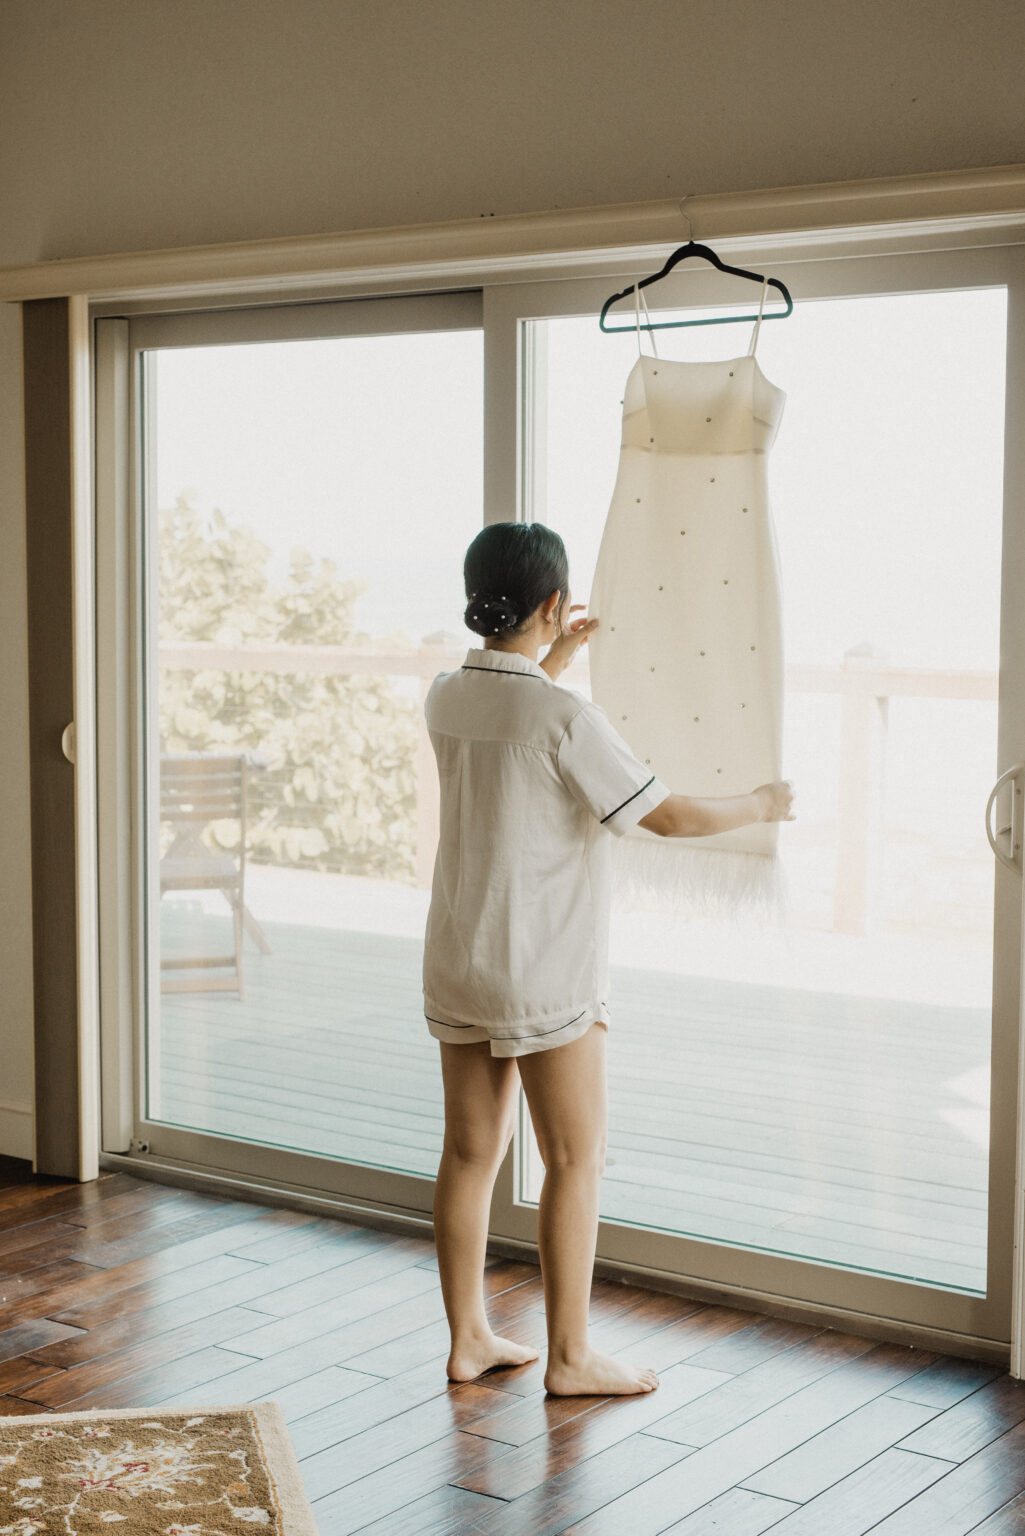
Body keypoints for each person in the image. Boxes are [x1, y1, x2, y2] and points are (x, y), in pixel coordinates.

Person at [423, 521, 796, 1397]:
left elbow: (509, 715)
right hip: (540, 966)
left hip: (457, 958)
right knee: (575, 1158)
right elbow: (660, 815)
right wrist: (761, 801)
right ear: (551, 604)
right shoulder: (564, 716)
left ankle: (469, 1339)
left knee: (469, 1153)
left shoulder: (445, 694)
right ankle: (569, 1358)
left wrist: (549, 658)